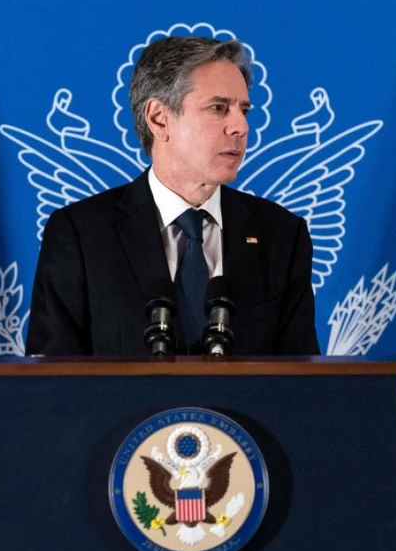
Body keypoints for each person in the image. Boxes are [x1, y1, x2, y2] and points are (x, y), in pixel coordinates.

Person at [26, 36, 319, 356]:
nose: (241, 126)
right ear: (159, 118)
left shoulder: (281, 235)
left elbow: (301, 378)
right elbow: (52, 381)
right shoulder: (80, 235)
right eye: (219, 108)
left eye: (244, 110)